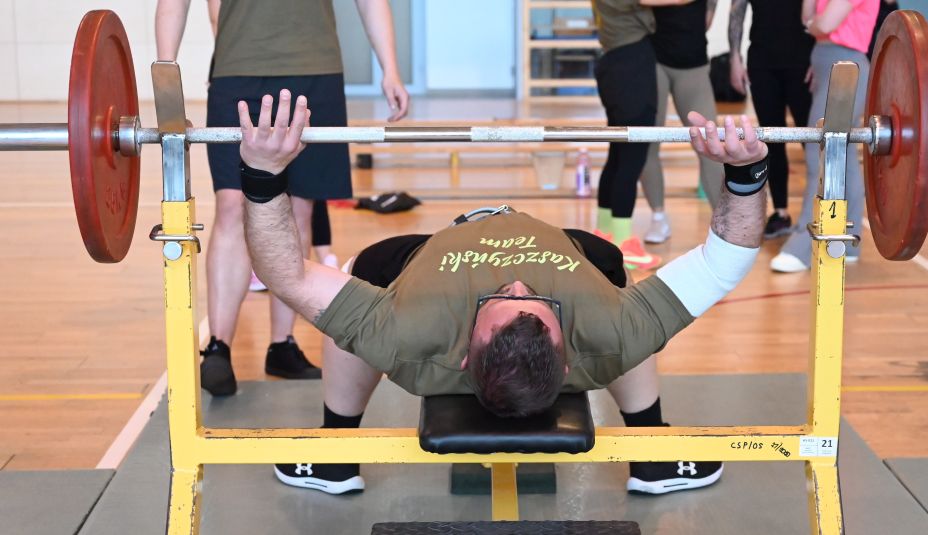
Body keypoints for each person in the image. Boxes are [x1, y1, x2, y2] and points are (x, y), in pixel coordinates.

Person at [237, 91, 770, 496]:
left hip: (427, 256)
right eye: (534, 299)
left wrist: (262, 175)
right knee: (616, 296)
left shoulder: (407, 332)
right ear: (569, 362)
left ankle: (335, 451)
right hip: (572, 262)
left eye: (499, 299)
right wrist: (745, 172)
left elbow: (286, 275)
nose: (515, 281)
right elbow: (725, 260)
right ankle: (653, 452)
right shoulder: (604, 330)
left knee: (359, 277)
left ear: (463, 353)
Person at [155, 0, 410, 396]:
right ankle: (218, 347)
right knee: (233, 205)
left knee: (298, 209)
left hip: (316, 70)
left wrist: (389, 68)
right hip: (239, 70)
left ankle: (282, 345)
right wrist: (166, 82)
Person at [770, 0, 878, 273]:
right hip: (826, 62)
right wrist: (815, 25)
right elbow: (808, 18)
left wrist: (815, 26)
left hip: (845, 65)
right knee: (843, 154)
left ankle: (804, 245)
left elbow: (825, 24)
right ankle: (850, 242)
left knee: (820, 152)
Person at [637, 0, 725, 244]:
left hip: (692, 61)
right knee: (648, 142)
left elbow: (707, 17)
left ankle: (723, 223)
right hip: (653, 58)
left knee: (711, 144)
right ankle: (658, 216)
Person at [729, 0, 815, 239]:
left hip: (802, 60)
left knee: (812, 141)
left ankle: (817, 212)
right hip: (763, 61)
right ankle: (780, 212)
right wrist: (734, 58)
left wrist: (818, 58)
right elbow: (736, 12)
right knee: (772, 141)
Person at [590, 0, 661, 269]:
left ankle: (604, 235)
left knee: (618, 156)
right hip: (630, 65)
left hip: (615, 63)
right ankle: (623, 245)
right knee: (630, 160)